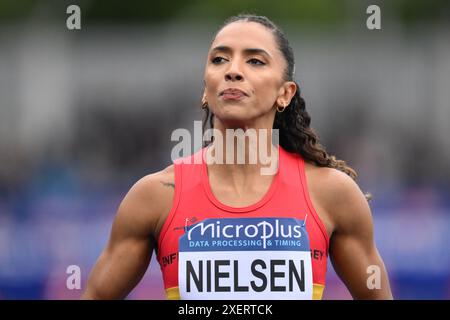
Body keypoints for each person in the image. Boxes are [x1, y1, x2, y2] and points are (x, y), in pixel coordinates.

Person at [81, 14, 393, 300]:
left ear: (285, 93)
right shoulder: (154, 197)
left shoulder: (332, 194)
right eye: (219, 59)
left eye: (255, 62)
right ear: (206, 89)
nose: (233, 71)